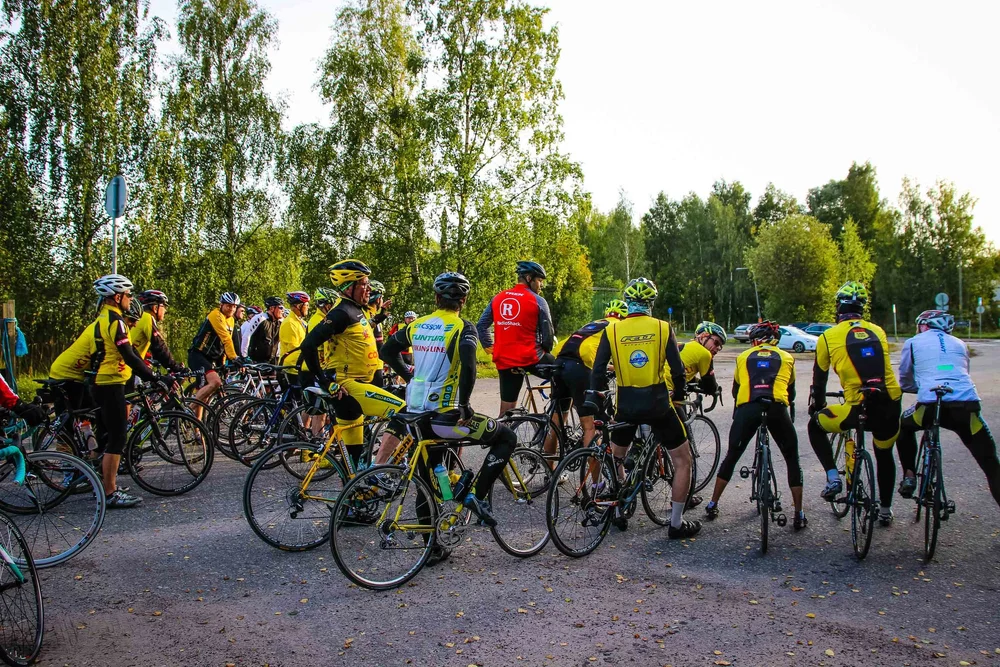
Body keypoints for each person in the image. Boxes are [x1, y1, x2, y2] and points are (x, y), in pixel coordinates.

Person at [377, 272, 516, 532]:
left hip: (415, 417)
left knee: (426, 482)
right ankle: (477, 497)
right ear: (464, 300)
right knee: (507, 438)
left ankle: (433, 545)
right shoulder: (463, 327)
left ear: (436, 298)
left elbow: (386, 351)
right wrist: (464, 404)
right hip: (444, 418)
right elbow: (469, 366)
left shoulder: (417, 325)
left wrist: (408, 375)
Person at [587, 277, 701, 539]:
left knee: (617, 457)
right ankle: (676, 523)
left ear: (627, 302)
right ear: (651, 303)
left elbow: (598, 370)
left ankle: (618, 508)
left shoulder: (612, 330)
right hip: (658, 404)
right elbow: (677, 370)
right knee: (683, 460)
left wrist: (600, 401)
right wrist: (679, 393)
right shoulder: (663, 327)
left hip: (626, 404)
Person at [807, 281, 902, 526]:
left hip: (856, 407)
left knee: (814, 426)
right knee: (884, 454)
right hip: (889, 404)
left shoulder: (827, 337)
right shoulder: (878, 331)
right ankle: (885, 509)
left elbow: (819, 380)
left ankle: (833, 478)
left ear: (838, 307)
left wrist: (818, 406)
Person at [298, 260, 405, 472]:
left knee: (353, 464)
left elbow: (361, 332)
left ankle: (354, 490)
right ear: (349, 287)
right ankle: (381, 468)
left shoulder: (355, 310)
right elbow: (308, 345)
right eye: (364, 284)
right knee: (404, 412)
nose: (369, 289)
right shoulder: (341, 312)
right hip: (347, 387)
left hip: (353, 386)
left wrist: (380, 317)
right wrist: (325, 382)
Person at [704, 321, 806, 529]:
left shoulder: (743, 357)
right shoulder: (787, 357)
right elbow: (791, 392)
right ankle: (799, 513)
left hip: (749, 408)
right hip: (776, 408)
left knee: (732, 455)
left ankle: (713, 503)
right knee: (792, 458)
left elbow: (736, 390)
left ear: (755, 341)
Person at [896, 310, 1000, 509]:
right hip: (966, 407)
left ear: (924, 325)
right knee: (991, 464)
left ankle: (909, 476)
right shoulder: (960, 343)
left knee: (904, 425)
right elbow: (962, 373)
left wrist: (918, 387)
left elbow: (905, 377)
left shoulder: (913, 342)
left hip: (930, 406)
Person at [82, 275, 163, 507]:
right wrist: (154, 377)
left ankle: (102, 485)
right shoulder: (115, 320)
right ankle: (110, 493)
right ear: (117, 297)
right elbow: (129, 356)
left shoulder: (104, 317)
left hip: (102, 381)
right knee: (118, 438)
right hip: (110, 382)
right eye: (127, 295)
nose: (130, 299)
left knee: (106, 436)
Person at [477, 260, 555, 417]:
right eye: (539, 280)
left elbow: (481, 326)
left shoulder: (498, 298)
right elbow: (548, 337)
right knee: (567, 376)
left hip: (505, 360)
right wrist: (546, 350)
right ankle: (554, 419)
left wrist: (491, 349)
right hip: (532, 358)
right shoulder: (538, 300)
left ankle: (504, 430)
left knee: (506, 411)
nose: (541, 285)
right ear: (529, 278)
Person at [552, 300, 627, 453]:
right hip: (579, 366)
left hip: (558, 362)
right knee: (590, 426)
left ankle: (547, 467)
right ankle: (592, 469)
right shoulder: (619, 327)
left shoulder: (595, 323)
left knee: (556, 423)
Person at [189, 292, 242, 417]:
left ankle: (198, 426)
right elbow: (226, 339)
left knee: (207, 394)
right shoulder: (215, 315)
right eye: (229, 306)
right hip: (198, 355)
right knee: (215, 383)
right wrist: (234, 357)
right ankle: (187, 412)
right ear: (221, 305)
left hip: (211, 358)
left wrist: (222, 364)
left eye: (234, 306)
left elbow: (223, 346)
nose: (232, 309)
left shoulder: (231, 320)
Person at [131, 290, 185, 374]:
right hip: (128, 368)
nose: (165, 311)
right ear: (155, 308)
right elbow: (159, 347)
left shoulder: (138, 317)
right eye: (164, 306)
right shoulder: (147, 318)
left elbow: (154, 349)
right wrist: (175, 367)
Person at [279, 291, 311, 399]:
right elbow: (294, 350)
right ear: (299, 306)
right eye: (306, 305)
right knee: (297, 403)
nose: (308, 307)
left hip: (298, 367)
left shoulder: (300, 322)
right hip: (291, 369)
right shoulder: (289, 323)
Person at [365, 280, 392, 387]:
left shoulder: (372, 313)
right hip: (371, 365)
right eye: (382, 297)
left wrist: (382, 309)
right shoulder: (368, 314)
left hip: (375, 363)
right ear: (378, 298)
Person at [247, 296, 283, 364]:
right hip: (257, 361)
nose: (282, 310)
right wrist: (244, 357)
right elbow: (247, 337)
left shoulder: (280, 322)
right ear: (272, 308)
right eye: (280, 308)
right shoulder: (260, 318)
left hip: (273, 361)